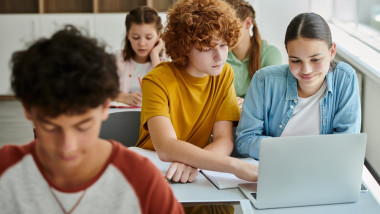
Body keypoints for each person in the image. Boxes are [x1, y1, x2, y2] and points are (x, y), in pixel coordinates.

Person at [0, 25, 184, 214]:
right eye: (50, 127)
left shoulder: (141, 179)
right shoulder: (5, 170)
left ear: (105, 107)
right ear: (27, 111)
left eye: (83, 126)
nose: (67, 147)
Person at [135, 0, 258, 184]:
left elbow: (224, 140)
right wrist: (235, 166)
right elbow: (165, 146)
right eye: (207, 48)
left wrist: (195, 164)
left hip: (191, 172)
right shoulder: (156, 80)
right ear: (185, 48)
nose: (220, 57)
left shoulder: (224, 74)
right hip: (155, 170)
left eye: (223, 45)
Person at [235, 12, 361, 159]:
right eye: (295, 60)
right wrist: (294, 153)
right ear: (287, 53)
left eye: (315, 59)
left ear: (332, 51)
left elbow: (346, 143)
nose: (306, 70)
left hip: (323, 169)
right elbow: (244, 141)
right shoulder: (264, 81)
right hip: (278, 166)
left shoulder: (344, 78)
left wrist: (289, 151)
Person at [225, 0, 282, 110]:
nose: (226, 33)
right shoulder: (219, 56)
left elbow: (274, 98)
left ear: (248, 23)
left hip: (256, 116)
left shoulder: (270, 54)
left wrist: (248, 104)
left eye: (231, 27)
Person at [114, 6, 164, 107]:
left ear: (158, 36)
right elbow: (97, 91)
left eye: (148, 37)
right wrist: (121, 97)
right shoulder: (116, 59)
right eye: (135, 37)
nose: (141, 43)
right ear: (128, 35)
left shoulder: (166, 63)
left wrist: (155, 56)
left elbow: (168, 94)